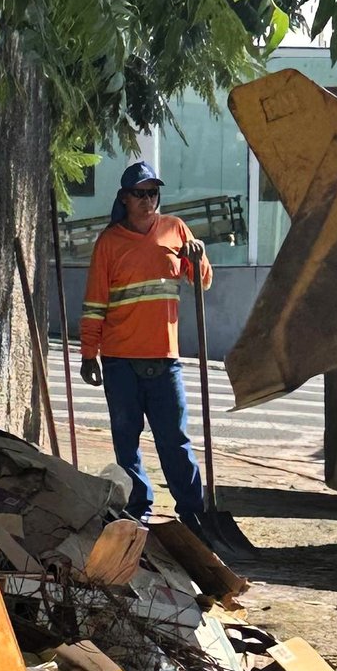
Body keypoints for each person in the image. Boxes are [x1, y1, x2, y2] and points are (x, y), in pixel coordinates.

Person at [80, 161, 211, 530]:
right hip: (121, 359)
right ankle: (139, 509)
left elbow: (202, 282)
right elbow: (94, 303)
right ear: (124, 198)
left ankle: (192, 512)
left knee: (175, 440)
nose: (147, 200)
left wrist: (196, 258)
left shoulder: (175, 230)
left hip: (164, 358)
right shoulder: (109, 242)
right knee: (127, 440)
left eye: (153, 192)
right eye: (139, 193)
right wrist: (89, 353)